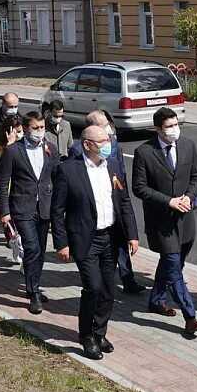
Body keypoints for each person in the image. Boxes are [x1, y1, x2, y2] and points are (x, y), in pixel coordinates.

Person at [52, 125, 139, 360]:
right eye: (101, 141)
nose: (107, 144)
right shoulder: (69, 170)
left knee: (109, 289)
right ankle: (86, 335)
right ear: (87, 144)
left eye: (108, 139)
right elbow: (57, 209)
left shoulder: (112, 166)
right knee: (94, 286)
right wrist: (61, 243)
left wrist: (132, 234)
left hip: (111, 237)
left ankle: (100, 331)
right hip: (85, 239)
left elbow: (124, 202)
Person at [131, 107, 197, 338]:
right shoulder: (144, 152)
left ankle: (156, 300)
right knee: (173, 266)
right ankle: (190, 316)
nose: (174, 130)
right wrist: (168, 201)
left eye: (176, 125)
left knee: (173, 263)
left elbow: (196, 176)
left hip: (185, 220)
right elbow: (139, 188)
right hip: (161, 221)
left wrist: (189, 197)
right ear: (158, 129)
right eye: (169, 127)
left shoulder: (188, 145)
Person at [0, 111, 61, 314]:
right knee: (31, 248)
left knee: (40, 250)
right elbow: (3, 182)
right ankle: (33, 294)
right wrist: (4, 211)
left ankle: (34, 285)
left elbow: (58, 178)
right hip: (22, 207)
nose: (39, 132)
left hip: (44, 207)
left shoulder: (50, 149)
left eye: (42, 128)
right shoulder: (13, 151)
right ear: (25, 129)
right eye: (35, 128)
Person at [82, 110, 144, 293]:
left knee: (121, 240)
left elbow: (120, 169)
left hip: (115, 200)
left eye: (108, 124)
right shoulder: (78, 152)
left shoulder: (113, 142)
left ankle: (127, 279)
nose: (108, 130)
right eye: (103, 126)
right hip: (95, 210)